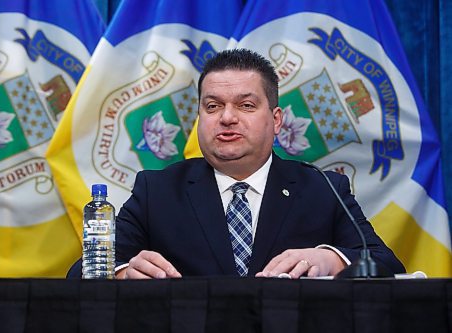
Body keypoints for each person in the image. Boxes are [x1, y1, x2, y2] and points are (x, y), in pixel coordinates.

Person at [68, 48, 405, 279]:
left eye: (245, 105)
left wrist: (330, 259)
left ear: (276, 120)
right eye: (213, 106)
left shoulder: (323, 188)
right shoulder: (156, 191)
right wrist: (123, 271)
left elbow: (386, 263)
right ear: (199, 116)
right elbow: (81, 272)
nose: (227, 118)